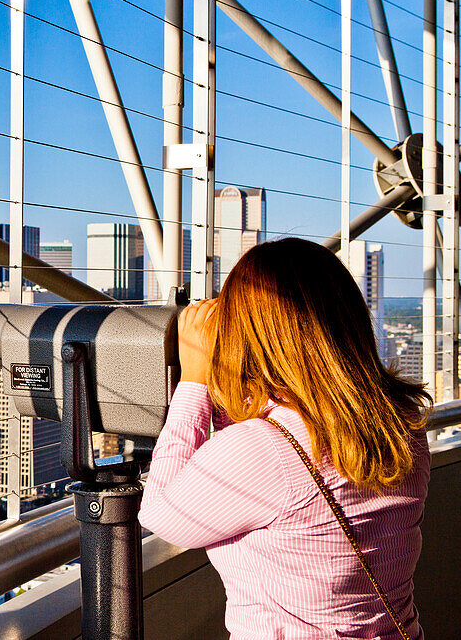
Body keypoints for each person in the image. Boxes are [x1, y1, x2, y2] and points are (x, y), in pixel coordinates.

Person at [138, 238, 431, 639]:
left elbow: (159, 514)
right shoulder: (402, 421)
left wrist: (193, 381)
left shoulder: (264, 450)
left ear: (250, 334)